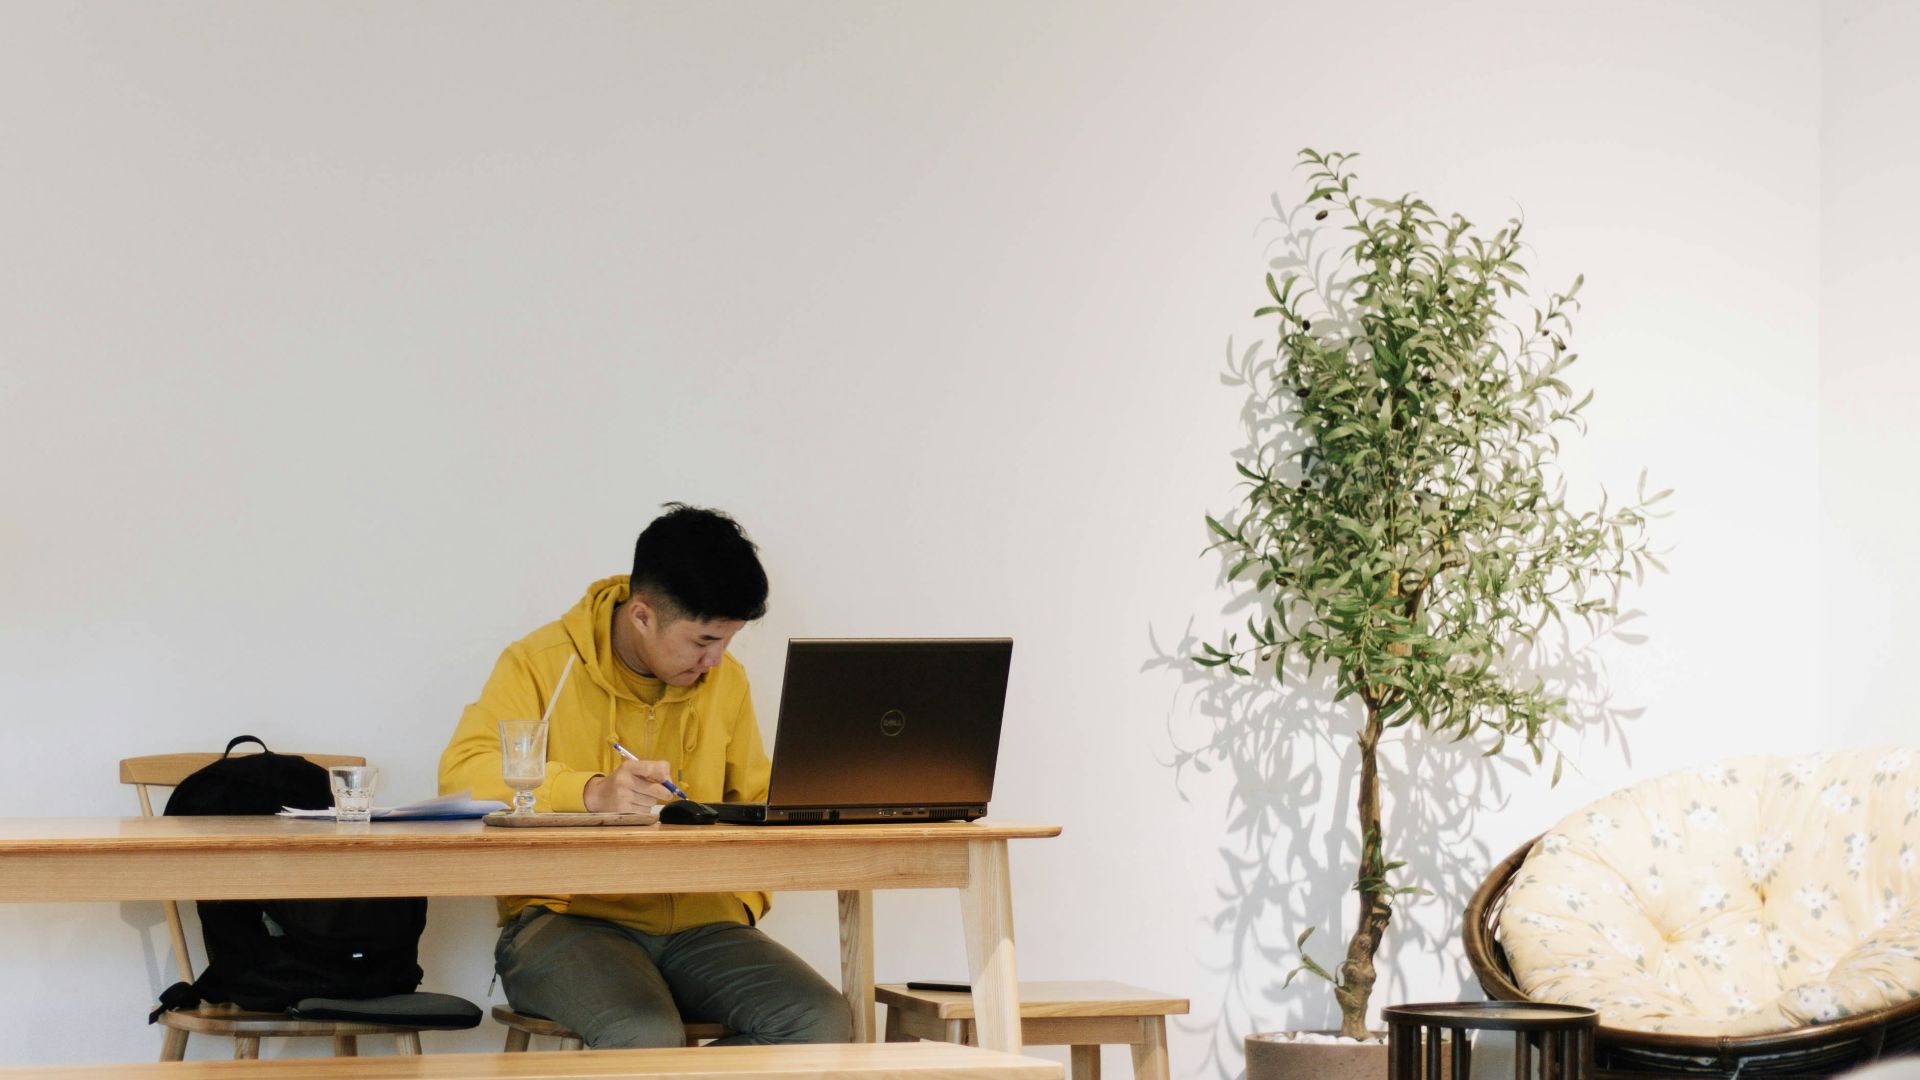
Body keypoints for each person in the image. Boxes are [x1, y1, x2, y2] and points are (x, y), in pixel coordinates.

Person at [438, 504, 853, 1048]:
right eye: (703, 641)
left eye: (728, 642)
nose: (715, 661)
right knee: (644, 1034)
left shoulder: (727, 683)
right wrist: (588, 792)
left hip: (705, 924)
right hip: (566, 921)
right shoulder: (539, 664)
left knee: (819, 1021)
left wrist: (745, 896)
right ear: (641, 615)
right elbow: (462, 776)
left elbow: (757, 800)